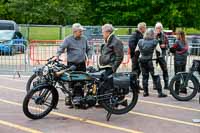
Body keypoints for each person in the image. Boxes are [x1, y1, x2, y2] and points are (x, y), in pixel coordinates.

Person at [53, 23, 90, 106]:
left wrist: (89, 57)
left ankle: (81, 99)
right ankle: (70, 99)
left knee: (82, 82)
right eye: (80, 31)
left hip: (82, 64)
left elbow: (89, 49)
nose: (81, 33)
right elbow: (61, 48)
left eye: (82, 31)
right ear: (75, 31)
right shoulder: (68, 39)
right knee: (71, 83)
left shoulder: (84, 39)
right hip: (72, 64)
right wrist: (57, 56)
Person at [135, 28, 167, 97]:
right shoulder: (155, 41)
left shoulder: (140, 41)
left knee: (144, 76)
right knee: (156, 76)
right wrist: (158, 59)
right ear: (153, 34)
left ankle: (145, 92)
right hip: (151, 61)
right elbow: (159, 52)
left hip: (142, 60)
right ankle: (160, 93)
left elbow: (136, 51)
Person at [128, 22, 146, 90]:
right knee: (134, 71)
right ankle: (131, 86)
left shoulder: (140, 35)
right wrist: (136, 53)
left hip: (139, 56)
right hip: (135, 56)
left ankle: (136, 85)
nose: (145, 29)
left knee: (138, 71)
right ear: (142, 28)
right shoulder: (135, 34)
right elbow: (131, 45)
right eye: (145, 27)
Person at [155, 22, 169, 90]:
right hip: (154, 55)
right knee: (154, 70)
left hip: (161, 55)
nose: (158, 29)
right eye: (157, 28)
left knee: (165, 69)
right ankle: (155, 85)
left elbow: (168, 46)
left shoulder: (165, 36)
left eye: (159, 28)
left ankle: (166, 84)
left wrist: (165, 46)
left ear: (161, 28)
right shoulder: (153, 35)